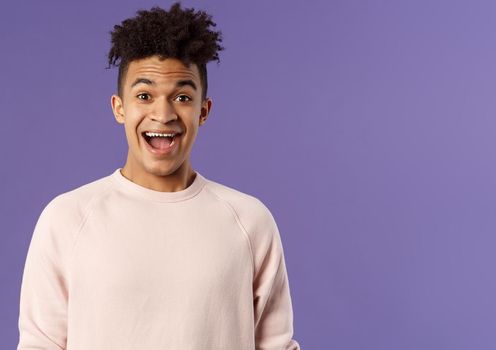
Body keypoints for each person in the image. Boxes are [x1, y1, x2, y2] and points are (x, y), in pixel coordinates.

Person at [16, 2, 300, 349]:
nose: (163, 114)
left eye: (182, 96)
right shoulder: (66, 219)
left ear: (203, 111)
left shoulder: (250, 221)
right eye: (144, 95)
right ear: (119, 107)